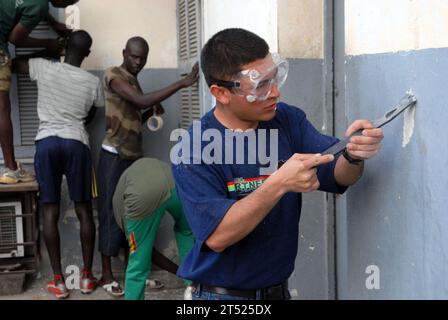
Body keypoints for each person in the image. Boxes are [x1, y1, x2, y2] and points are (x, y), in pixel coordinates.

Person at [172, 28, 384, 300]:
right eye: (260, 85)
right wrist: (279, 183)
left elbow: (337, 174)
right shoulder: (193, 149)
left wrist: (353, 154)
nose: (275, 93)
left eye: (274, 79)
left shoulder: (286, 120)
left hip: (278, 291)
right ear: (221, 93)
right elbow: (218, 236)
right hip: (223, 296)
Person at [97, 36, 199, 296]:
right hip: (115, 155)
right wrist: (182, 83)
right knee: (110, 215)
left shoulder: (133, 80)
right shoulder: (114, 74)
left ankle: (137, 274)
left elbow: (133, 114)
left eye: (142, 58)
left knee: (136, 222)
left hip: (132, 157)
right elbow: (139, 101)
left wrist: (150, 113)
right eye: (134, 56)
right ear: (124, 53)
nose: (138, 62)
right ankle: (107, 275)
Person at [12, 30, 103, 299]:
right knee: (85, 210)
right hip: (76, 143)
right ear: (87, 54)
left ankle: (59, 281)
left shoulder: (43, 67)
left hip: (47, 143)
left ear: (65, 47)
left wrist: (49, 51)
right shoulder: (92, 82)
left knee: (49, 211)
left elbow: (14, 65)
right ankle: (87, 278)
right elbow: (92, 113)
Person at [0, 0, 79, 184]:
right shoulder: (41, 5)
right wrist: (47, 44)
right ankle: (11, 169)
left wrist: (52, 23)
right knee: (2, 108)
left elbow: (26, 4)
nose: (65, 6)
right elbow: (15, 38)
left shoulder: (40, 5)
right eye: (68, 1)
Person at [112, 158, 194, 300]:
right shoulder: (123, 197)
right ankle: (194, 287)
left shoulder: (124, 217)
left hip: (142, 194)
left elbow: (147, 253)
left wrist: (178, 271)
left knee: (137, 263)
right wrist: (181, 272)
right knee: (186, 231)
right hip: (174, 182)